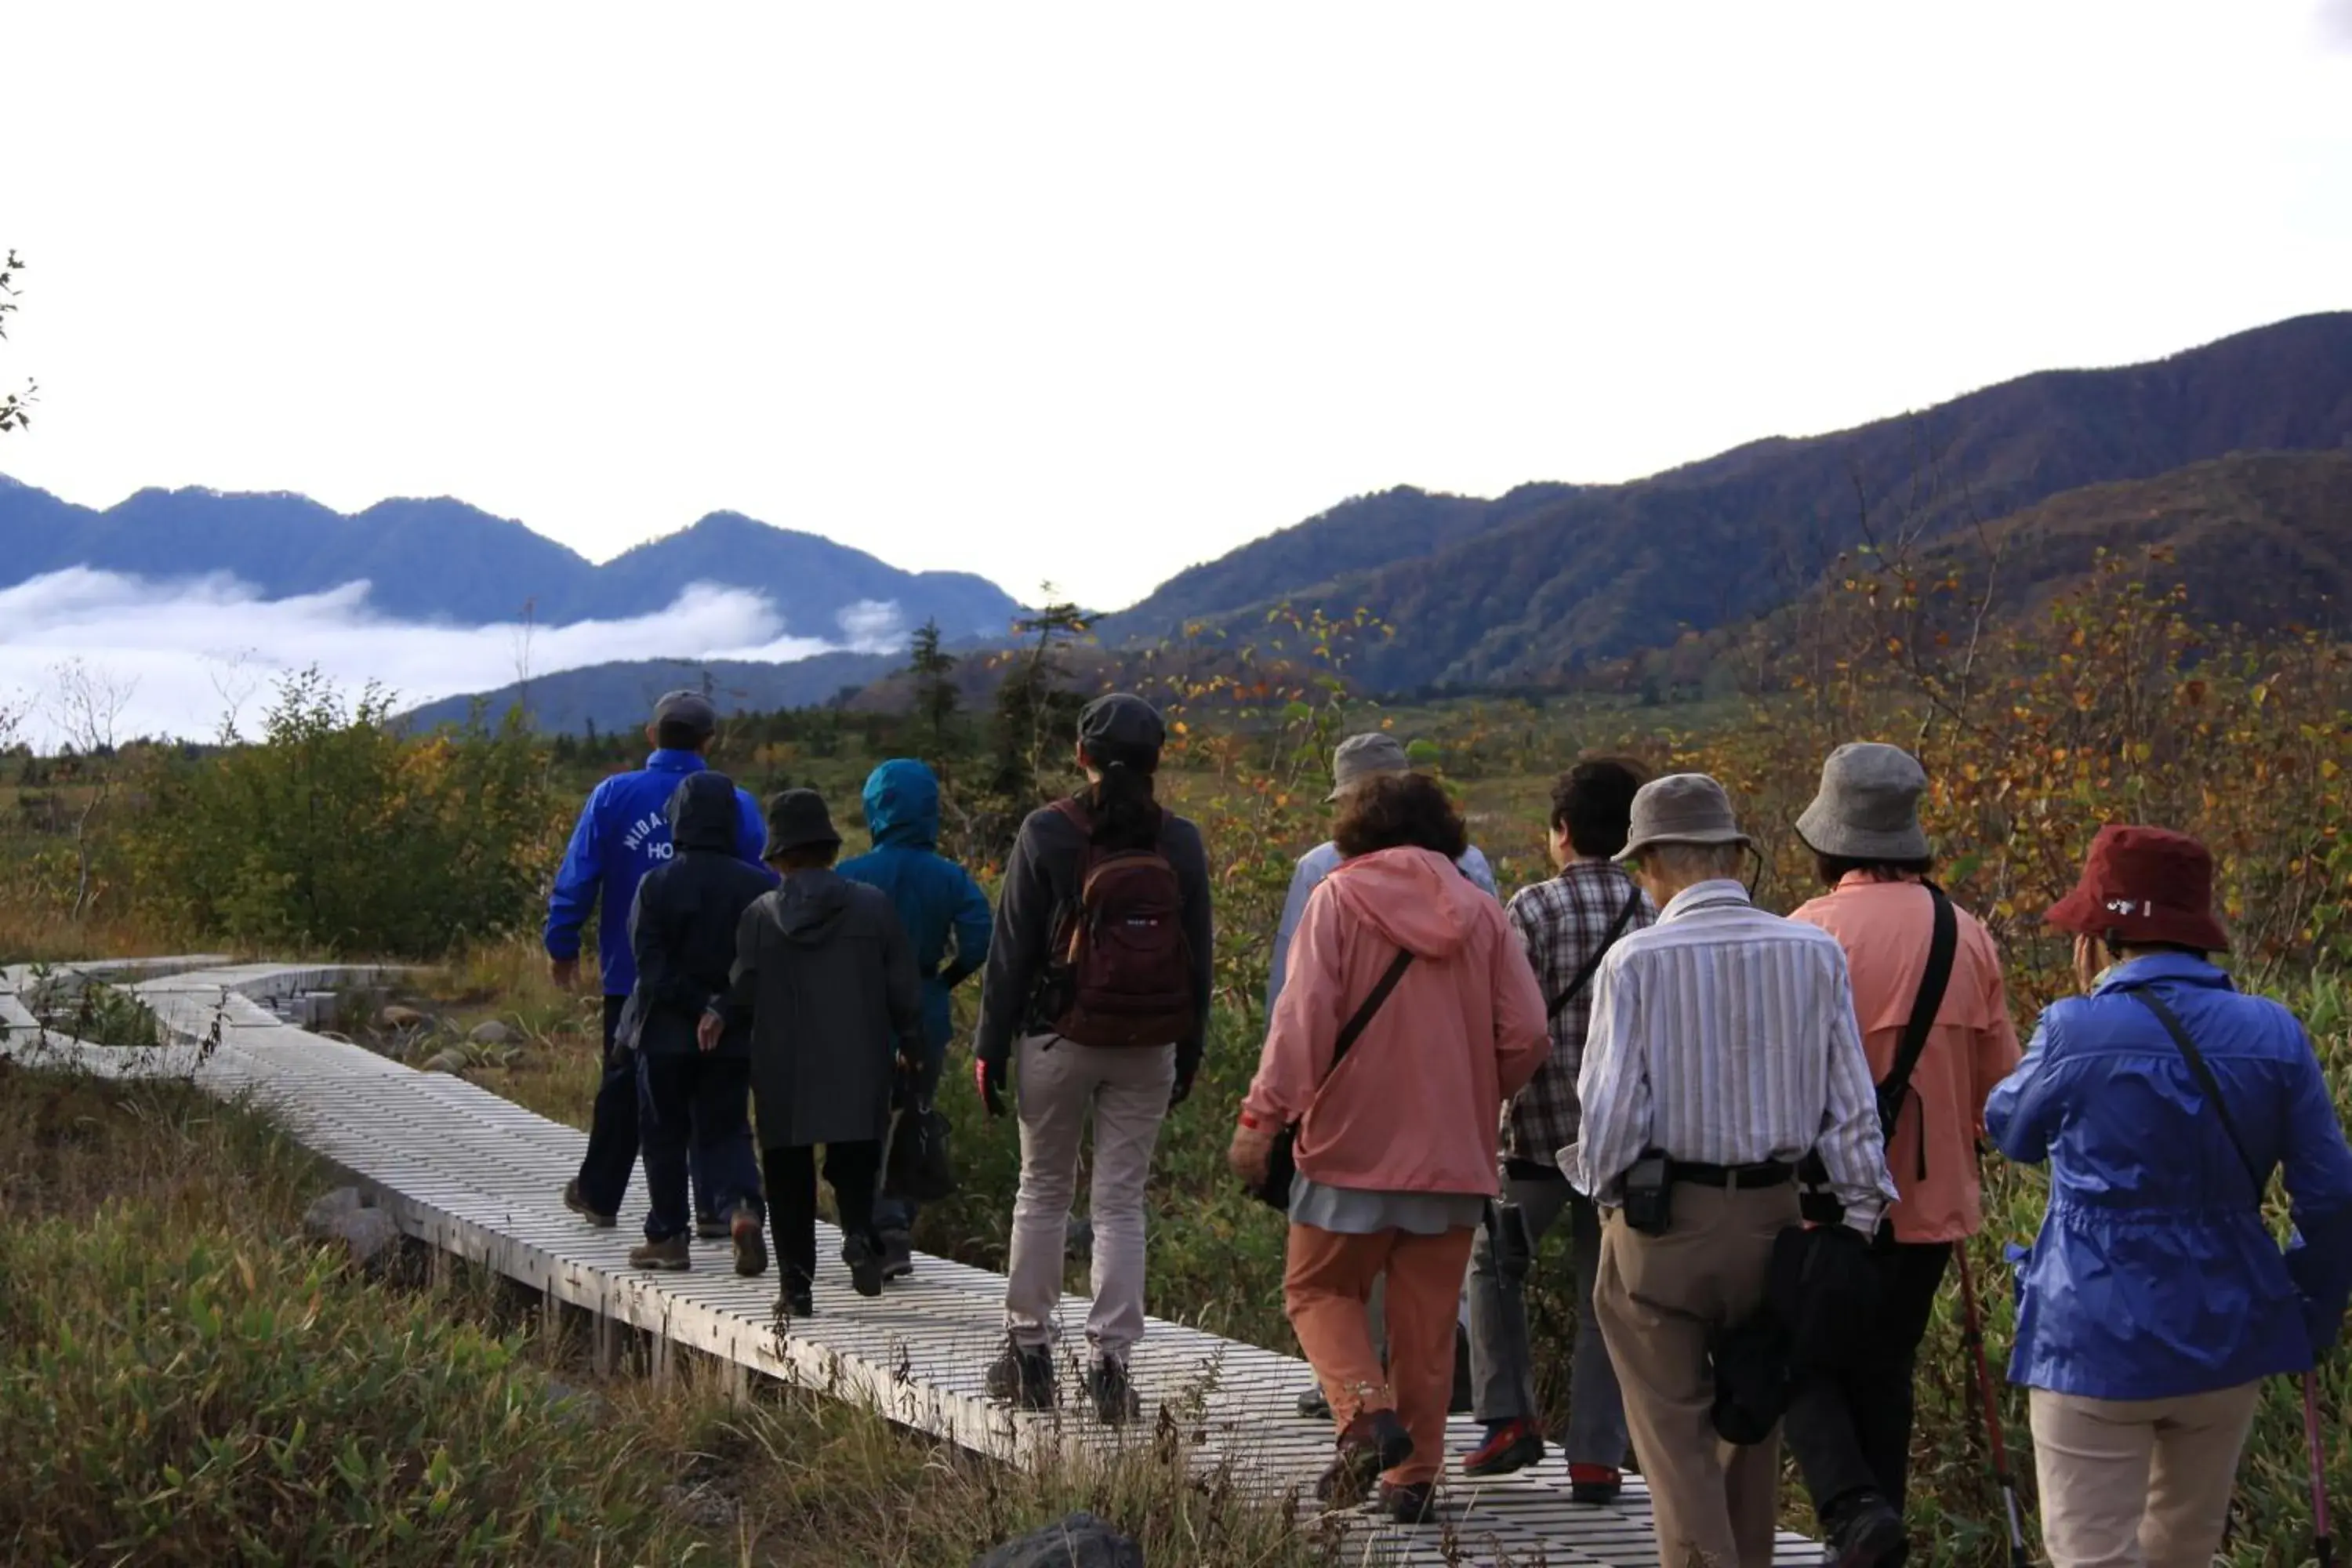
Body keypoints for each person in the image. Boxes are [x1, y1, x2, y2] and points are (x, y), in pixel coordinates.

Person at [1986, 825, 2352, 1568]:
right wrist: (2307, 1311)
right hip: (2228, 1333)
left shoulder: (2071, 1029)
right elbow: (2334, 1193)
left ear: (2102, 934)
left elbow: (2011, 1129)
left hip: (2090, 1338)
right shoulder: (2276, 1033)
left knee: (2092, 1555)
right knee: (2184, 1552)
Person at [1571, 773, 1893, 1568]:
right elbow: (1851, 1106)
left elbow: (1609, 1118)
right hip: (1776, 1213)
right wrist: (1855, 1221)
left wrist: (1611, 1196)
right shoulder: (1812, 951)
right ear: (1734, 857)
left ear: (1648, 863)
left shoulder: (1634, 961)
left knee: (1673, 1435)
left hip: (1664, 1217)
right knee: (1752, 1417)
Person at [1229, 772, 1551, 1525]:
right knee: (1428, 1328)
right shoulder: (1482, 913)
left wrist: (1262, 1117)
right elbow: (1529, 1033)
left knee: (1318, 1291)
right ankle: (1414, 1480)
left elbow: (1303, 1022)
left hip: (1350, 1142)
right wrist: (1480, 1090)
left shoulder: (1338, 899)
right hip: (1453, 1154)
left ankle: (1365, 1414)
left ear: (1356, 831)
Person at [1778, 743, 2021, 1566]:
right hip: (1930, 1206)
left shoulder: (1807, 932)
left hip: (1820, 1200)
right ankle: (1871, 1531)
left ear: (1830, 838)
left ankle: (1853, 1510)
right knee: (1885, 1369)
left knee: (1795, 1355)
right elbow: (2001, 1096)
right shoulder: (1967, 934)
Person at [973, 693, 1213, 1424]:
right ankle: (1111, 1371)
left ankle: (1030, 1354)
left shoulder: (1048, 831)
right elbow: (1197, 956)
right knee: (1119, 1203)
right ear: (1157, 760)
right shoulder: (1180, 840)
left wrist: (989, 1046)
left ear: (1081, 755)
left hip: (1056, 1037)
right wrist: (1190, 1045)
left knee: (1042, 1191)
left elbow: (1010, 951)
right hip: (1148, 1044)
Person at [1271, 730, 1497, 1421]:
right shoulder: (1473, 870)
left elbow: (1295, 995)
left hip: (1351, 1097)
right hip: (1453, 1093)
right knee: (1430, 1274)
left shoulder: (1323, 873)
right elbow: (1507, 1002)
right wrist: (1486, 1086)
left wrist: (1277, 1104)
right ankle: (1419, 1451)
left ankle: (1353, 1393)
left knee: (1334, 1267)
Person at [1464, 757, 1650, 1498]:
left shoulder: (1531, 909)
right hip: (1622, 1147)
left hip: (1536, 1137)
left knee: (1492, 1264)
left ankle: (1508, 1416)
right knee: (1605, 1296)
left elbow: (1502, 1024)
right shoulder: (1651, 912)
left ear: (1562, 831)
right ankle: (1597, 1453)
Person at [546, 690, 768, 1232]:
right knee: (715, 1094)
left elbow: (579, 875)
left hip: (636, 977)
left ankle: (601, 1194)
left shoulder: (612, 795)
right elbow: (758, 884)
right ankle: (717, 1205)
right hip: (723, 982)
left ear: (652, 735)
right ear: (709, 741)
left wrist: (563, 941)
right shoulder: (735, 803)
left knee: (628, 1087)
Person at [704, 789, 926, 1316]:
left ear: (779, 857)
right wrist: (911, 1044)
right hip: (859, 1060)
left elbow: (744, 987)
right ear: (829, 850)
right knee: (854, 1160)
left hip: (783, 1067)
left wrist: (716, 1013)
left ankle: (796, 1288)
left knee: (786, 1176)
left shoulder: (760, 916)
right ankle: (856, 1232)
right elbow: (903, 987)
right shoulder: (872, 906)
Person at [837, 759, 993, 1281]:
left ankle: (875, 1228)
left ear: (875, 807)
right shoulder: (950, 877)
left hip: (859, 1013)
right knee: (915, 1115)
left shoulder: (849, 877)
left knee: (863, 1124)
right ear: (929, 809)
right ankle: (899, 1224)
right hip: (926, 1010)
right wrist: (944, 981)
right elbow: (979, 940)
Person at [619, 771, 775, 1278]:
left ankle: (668, 1236)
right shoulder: (759, 886)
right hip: (730, 1039)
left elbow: (651, 967)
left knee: (664, 1134)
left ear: (678, 820)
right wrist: (722, 1009)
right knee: (728, 1129)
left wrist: (696, 1006)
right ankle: (742, 1210)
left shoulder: (656, 884)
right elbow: (761, 967)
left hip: (665, 1033)